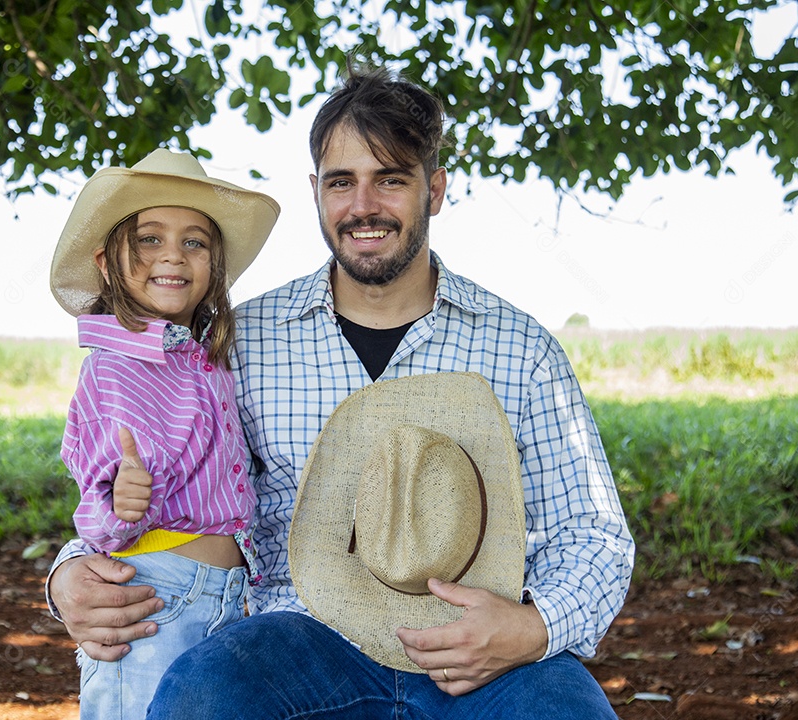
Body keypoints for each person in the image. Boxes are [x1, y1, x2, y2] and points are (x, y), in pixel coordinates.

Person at [47, 65, 635, 719]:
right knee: (202, 695)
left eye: (391, 179)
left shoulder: (522, 350)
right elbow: (159, 471)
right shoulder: (237, 343)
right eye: (342, 182)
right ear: (317, 193)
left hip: (484, 654)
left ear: (434, 189)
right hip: (296, 644)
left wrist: (530, 629)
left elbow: (593, 532)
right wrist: (70, 572)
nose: (363, 206)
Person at [48, 148, 280, 718]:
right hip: (157, 593)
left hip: (224, 598)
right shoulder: (114, 365)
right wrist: (121, 501)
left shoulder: (200, 357)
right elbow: (99, 505)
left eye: (194, 241)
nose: (172, 255)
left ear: (214, 264)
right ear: (106, 261)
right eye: (149, 239)